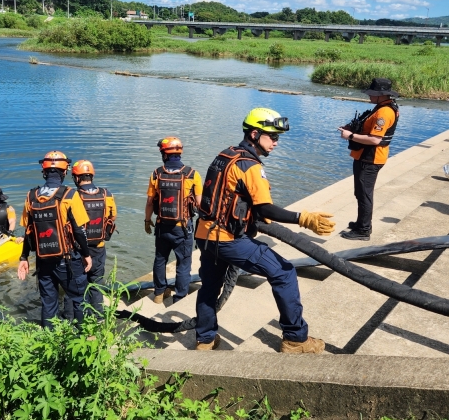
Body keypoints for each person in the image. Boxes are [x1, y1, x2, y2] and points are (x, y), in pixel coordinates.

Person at [194, 108, 336, 353]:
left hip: (205, 235)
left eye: (278, 138)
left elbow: (228, 198)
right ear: (254, 134)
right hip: (229, 240)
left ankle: (205, 340)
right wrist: (303, 218)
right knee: (284, 273)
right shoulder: (250, 166)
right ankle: (295, 339)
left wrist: (252, 214)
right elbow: (266, 208)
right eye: (272, 137)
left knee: (209, 287)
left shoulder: (225, 155)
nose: (276, 143)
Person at [17, 151, 93, 327]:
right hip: (67, 260)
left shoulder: (31, 196)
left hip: (43, 261)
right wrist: (86, 254)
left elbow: (28, 231)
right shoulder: (70, 195)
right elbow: (79, 231)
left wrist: (24, 258)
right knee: (79, 299)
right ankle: (83, 337)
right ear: (65, 172)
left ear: (44, 172)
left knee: (48, 303)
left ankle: (48, 340)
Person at [338, 78, 400, 241]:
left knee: (364, 194)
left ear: (381, 95)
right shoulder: (382, 107)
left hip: (370, 158)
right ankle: (361, 223)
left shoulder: (384, 112)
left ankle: (364, 230)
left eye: (372, 93)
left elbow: (375, 139)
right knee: (360, 192)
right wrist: (353, 128)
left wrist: (350, 135)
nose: (369, 96)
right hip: (366, 157)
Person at [145, 137, 202, 304]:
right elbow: (199, 204)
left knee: (160, 259)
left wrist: (147, 221)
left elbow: (149, 202)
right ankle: (179, 297)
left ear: (164, 154)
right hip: (183, 228)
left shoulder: (156, 173)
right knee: (183, 264)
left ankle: (159, 294)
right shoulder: (192, 174)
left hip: (162, 226)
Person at [68, 160, 117, 316]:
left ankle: (73, 318)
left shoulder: (71, 196)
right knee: (96, 282)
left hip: (77, 248)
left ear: (76, 178)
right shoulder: (106, 194)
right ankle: (98, 315)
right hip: (99, 246)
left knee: (74, 284)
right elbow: (112, 217)